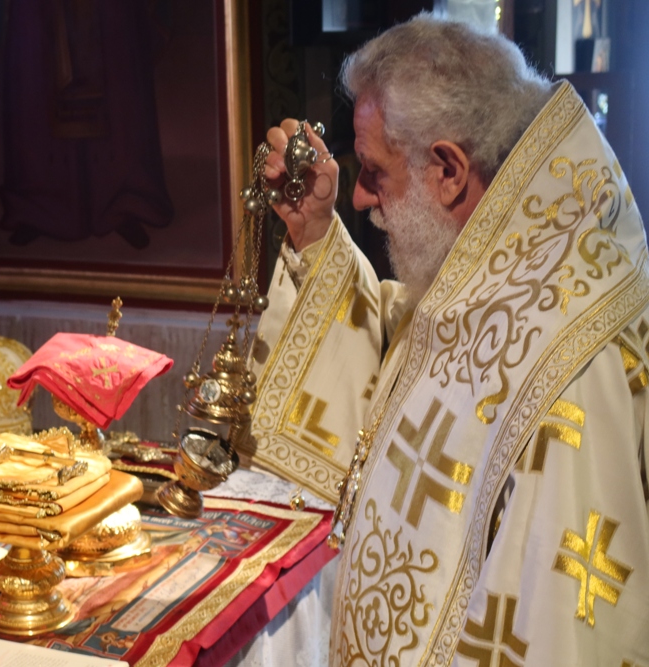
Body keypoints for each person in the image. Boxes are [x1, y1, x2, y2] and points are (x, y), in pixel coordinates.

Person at [250, 14, 649, 666]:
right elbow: (409, 352)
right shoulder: (496, 261)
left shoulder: (572, 364)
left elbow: (558, 629)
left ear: (447, 170)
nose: (359, 196)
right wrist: (316, 234)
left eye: (375, 171)